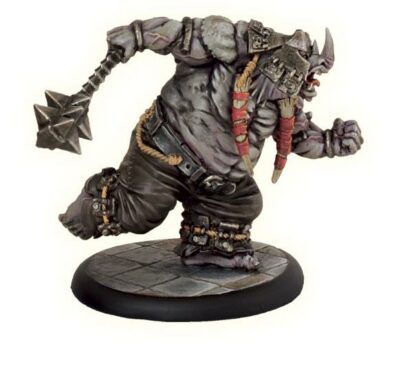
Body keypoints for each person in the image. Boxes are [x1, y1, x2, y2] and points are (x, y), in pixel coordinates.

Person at [59, 16, 363, 270]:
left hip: (215, 184)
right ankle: (92, 204)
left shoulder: (286, 104)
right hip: (162, 155)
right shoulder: (232, 44)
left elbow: (299, 139)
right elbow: (178, 34)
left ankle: (206, 250)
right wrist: (137, 34)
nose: (310, 85)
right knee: (139, 214)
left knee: (245, 203)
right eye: (307, 73)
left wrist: (332, 143)